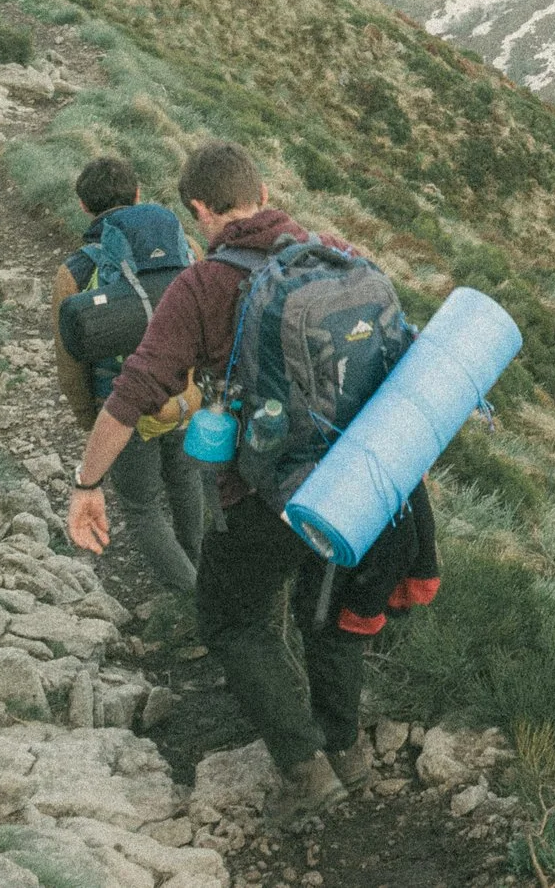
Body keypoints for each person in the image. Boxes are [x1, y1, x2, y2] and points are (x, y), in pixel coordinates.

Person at [66, 140, 439, 833]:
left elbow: (136, 388)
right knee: (326, 610)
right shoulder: (335, 253)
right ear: (264, 190)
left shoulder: (204, 285)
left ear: (202, 210)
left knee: (233, 616)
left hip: (269, 491)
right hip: (357, 476)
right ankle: (345, 748)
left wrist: (89, 480)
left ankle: (304, 770)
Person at [51, 155, 204, 598]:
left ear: (83, 207)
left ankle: (193, 598)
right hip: (182, 391)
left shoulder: (75, 271)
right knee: (185, 477)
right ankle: (198, 566)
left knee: (140, 506)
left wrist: (90, 419)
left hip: (122, 404)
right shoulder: (183, 247)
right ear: (137, 196)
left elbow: (70, 360)